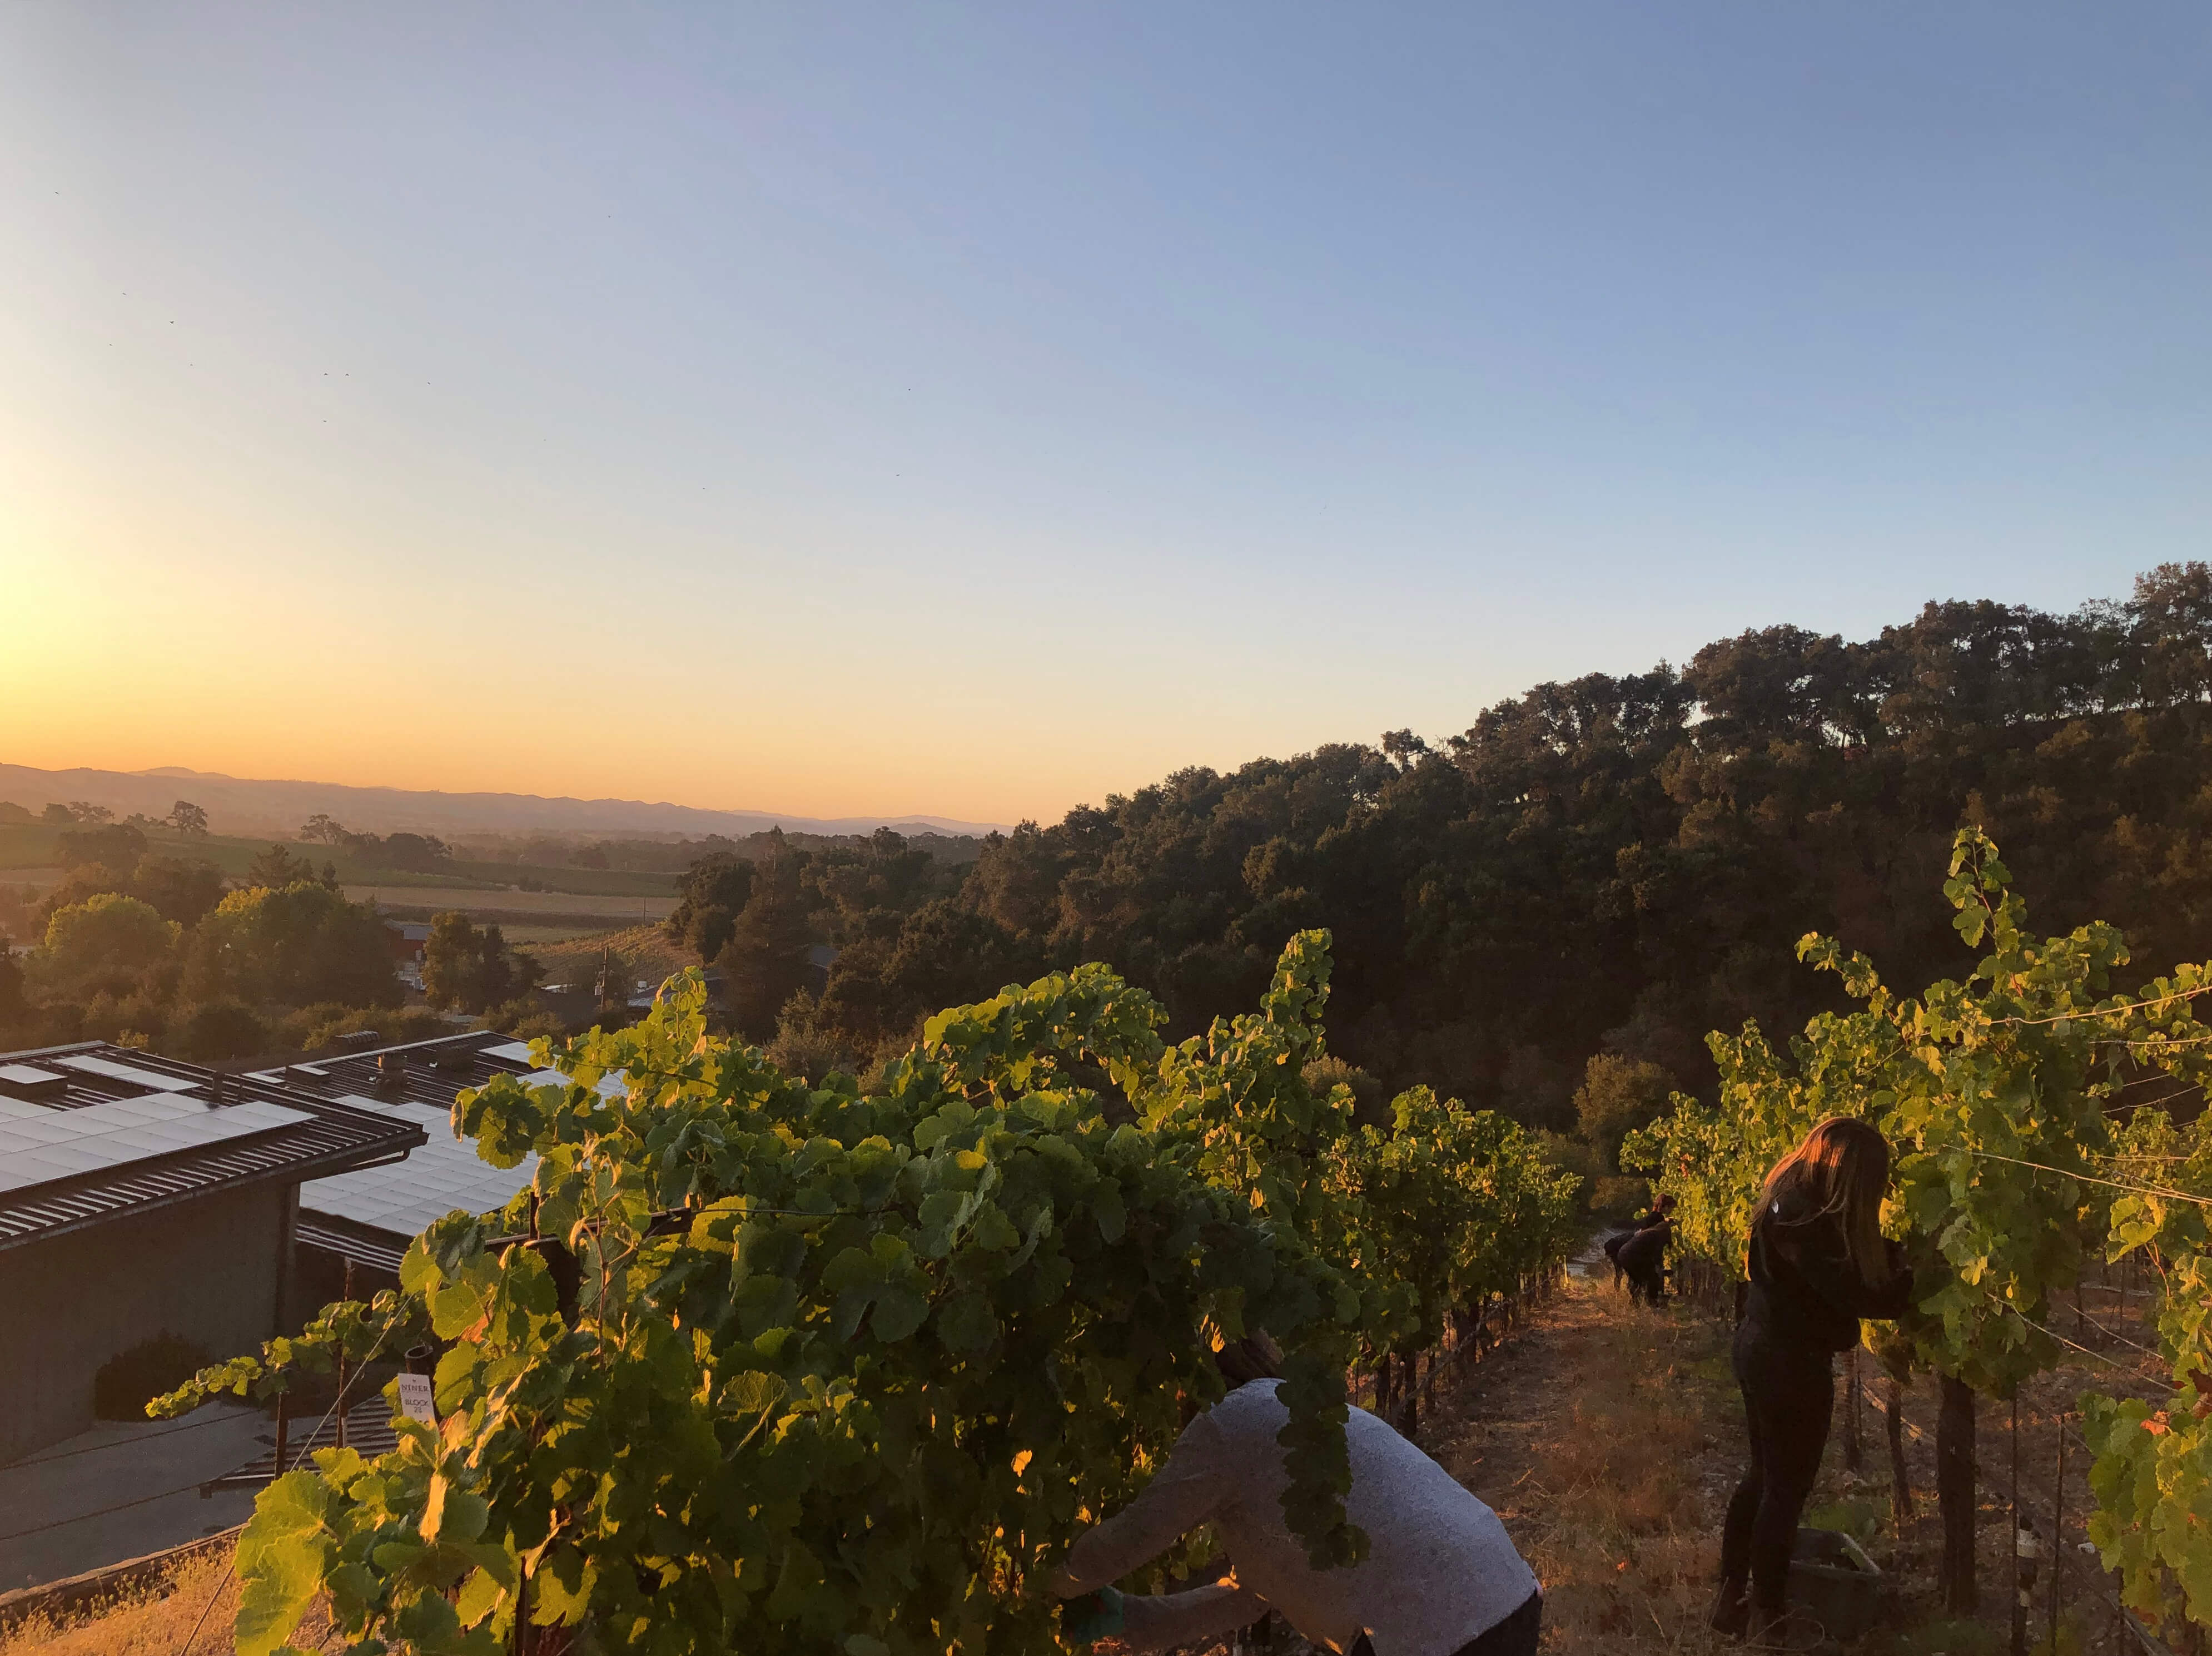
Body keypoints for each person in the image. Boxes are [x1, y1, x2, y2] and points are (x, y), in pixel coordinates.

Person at [1052, 1332, 1542, 1656]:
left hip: (1434, 1632)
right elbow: (1249, 1597)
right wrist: (1130, 1616)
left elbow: (1135, 1536)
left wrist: (1048, 1582)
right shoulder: (1302, 1416)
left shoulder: (1227, 1423)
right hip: (1506, 1592)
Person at [1712, 1118, 1915, 1645]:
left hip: (1757, 1346)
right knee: (1784, 1491)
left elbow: (1840, 1270)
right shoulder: (1808, 1224)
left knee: (1761, 1475)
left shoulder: (1790, 1200)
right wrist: (1912, 1272)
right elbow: (1864, 1296)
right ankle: (1767, 1617)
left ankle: (1730, 1597)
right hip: (1790, 1364)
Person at [1614, 1194, 1674, 1305]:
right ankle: (1651, 1303)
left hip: (1627, 1251)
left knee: (1640, 1280)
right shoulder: (1658, 1227)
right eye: (1670, 1208)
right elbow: (1656, 1253)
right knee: (1651, 1277)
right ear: (1665, 1207)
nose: (1671, 1211)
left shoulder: (1651, 1222)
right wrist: (1660, 1268)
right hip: (1633, 1253)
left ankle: (1636, 1303)